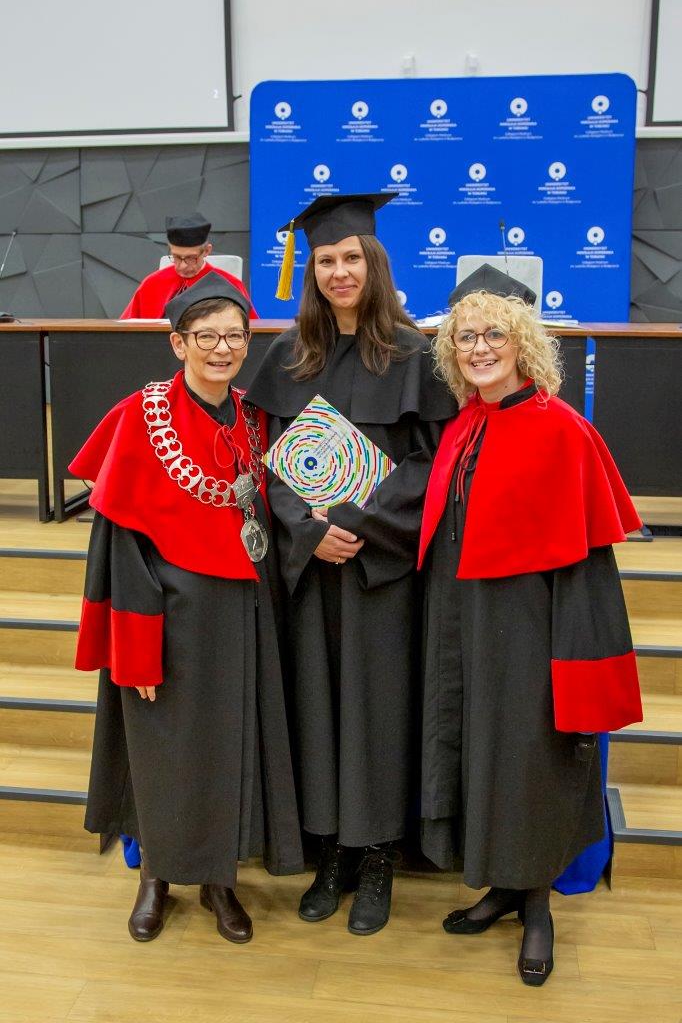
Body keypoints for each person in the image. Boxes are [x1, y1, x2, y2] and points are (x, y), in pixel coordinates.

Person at [418, 264, 643, 985]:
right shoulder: (465, 425)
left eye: (494, 334)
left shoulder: (562, 430)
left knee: (530, 760)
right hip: (468, 622)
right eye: (465, 337)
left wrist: (570, 654)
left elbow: (584, 566)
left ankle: (538, 906)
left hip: (532, 627)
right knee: (484, 756)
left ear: (524, 344)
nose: (479, 348)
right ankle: (504, 887)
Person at [70, 272, 302, 944]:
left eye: (235, 336)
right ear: (178, 343)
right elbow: (121, 547)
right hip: (167, 618)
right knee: (163, 752)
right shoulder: (139, 417)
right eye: (207, 337)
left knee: (230, 746)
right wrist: (137, 648)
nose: (223, 349)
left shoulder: (256, 418)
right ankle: (155, 878)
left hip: (241, 614)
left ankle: (218, 880)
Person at [247, 193, 457, 936]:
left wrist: (358, 524)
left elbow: (432, 463)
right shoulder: (288, 356)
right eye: (326, 260)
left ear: (375, 264)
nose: (339, 271)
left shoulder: (413, 353)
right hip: (311, 569)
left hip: (381, 570)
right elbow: (267, 463)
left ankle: (377, 857)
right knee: (317, 703)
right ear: (311, 271)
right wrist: (308, 530)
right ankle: (330, 851)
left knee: (376, 708)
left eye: (351, 258)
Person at [120, 213, 258, 320]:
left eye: (191, 258)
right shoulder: (152, 283)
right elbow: (126, 328)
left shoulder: (229, 285)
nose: (182, 266)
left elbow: (252, 329)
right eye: (176, 257)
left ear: (207, 251)